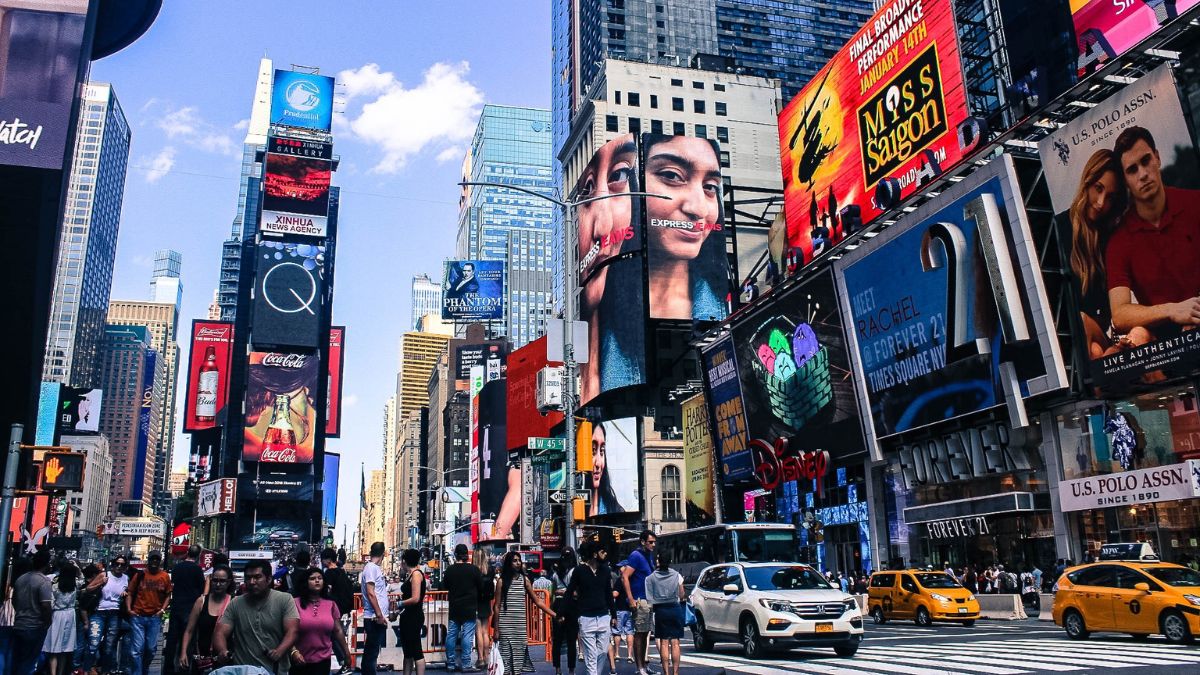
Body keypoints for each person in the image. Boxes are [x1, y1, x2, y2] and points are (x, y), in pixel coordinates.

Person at [1106, 125, 1200, 337]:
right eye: (1132, 170)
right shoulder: (1119, 242)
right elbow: (1119, 314)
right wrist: (1172, 310)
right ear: (1125, 181)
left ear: (1157, 158)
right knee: (1137, 335)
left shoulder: (1196, 203)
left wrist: (1194, 313)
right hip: (1164, 346)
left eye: (1146, 161)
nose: (1143, 174)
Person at [575, 134, 646, 403]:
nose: (602, 227)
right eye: (588, 188)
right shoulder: (570, 366)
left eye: (619, 176)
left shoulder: (629, 365)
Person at [643, 134, 728, 321]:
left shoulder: (725, 308)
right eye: (672, 176)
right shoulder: (602, 315)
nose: (699, 209)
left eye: (710, 187)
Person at [212, 558, 299, 674]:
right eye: (248, 578)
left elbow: (292, 631)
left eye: (257, 577)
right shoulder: (236, 603)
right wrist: (223, 651)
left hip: (275, 670)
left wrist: (279, 651)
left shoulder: (285, 599)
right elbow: (220, 632)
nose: (252, 582)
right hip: (243, 670)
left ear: (268, 579)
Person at [493, 552, 555, 675]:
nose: (518, 563)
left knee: (518, 661)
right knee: (505, 662)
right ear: (509, 563)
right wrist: (496, 629)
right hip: (505, 626)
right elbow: (497, 606)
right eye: (515, 561)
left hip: (520, 627)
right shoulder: (501, 582)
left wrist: (554, 614)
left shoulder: (525, 580)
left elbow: (538, 601)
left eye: (519, 560)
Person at [566, 542, 615, 675]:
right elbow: (569, 591)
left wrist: (614, 615)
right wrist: (562, 612)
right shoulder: (579, 571)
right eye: (602, 551)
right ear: (594, 554)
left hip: (604, 616)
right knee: (591, 654)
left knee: (603, 651)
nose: (605, 554)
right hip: (586, 617)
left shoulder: (605, 570)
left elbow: (608, 593)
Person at [290, 567, 349, 675]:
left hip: (323, 661)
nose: (317, 581)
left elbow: (338, 631)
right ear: (305, 583)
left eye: (320, 578)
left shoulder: (331, 604)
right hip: (299, 659)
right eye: (312, 578)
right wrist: (293, 651)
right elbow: (287, 631)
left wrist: (347, 653)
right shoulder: (294, 603)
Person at [178, 564, 233, 675]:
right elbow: (189, 630)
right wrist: (183, 652)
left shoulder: (233, 603)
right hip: (201, 659)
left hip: (224, 660)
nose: (218, 584)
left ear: (228, 582)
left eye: (222, 581)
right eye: (215, 580)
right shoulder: (201, 602)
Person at [126, 551, 172, 675]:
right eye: (153, 559)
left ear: (160, 561)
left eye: (157, 560)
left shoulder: (164, 576)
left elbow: (168, 595)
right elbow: (130, 592)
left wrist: (162, 610)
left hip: (154, 617)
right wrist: (129, 609)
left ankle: (144, 668)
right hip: (138, 616)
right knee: (137, 649)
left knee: (151, 649)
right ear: (149, 560)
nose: (155, 562)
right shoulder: (140, 575)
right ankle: (137, 672)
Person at [164, 545, 206, 675]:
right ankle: (184, 667)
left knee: (172, 639)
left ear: (187, 553)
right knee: (188, 638)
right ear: (198, 555)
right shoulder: (198, 570)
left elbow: (174, 584)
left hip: (177, 606)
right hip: (191, 608)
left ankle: (169, 669)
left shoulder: (177, 568)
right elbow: (201, 589)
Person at [621, 531, 656, 675]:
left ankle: (643, 666)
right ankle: (640, 667)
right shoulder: (636, 556)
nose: (653, 544)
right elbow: (625, 576)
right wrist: (631, 599)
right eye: (650, 542)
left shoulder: (648, 555)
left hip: (647, 600)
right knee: (640, 634)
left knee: (645, 633)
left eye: (654, 542)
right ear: (643, 541)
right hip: (639, 600)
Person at [442, 544, 481, 672]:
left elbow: (443, 586)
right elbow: (481, 586)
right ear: (466, 555)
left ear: (456, 555)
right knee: (467, 635)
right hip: (469, 607)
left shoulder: (450, 570)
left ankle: (451, 663)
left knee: (451, 635)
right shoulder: (474, 570)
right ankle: (466, 663)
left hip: (454, 606)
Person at [644, 554, 684, 675]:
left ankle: (666, 672)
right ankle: (675, 673)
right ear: (670, 561)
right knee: (675, 642)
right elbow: (681, 594)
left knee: (664, 642)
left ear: (658, 562)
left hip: (661, 610)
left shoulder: (651, 578)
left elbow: (649, 598)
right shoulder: (677, 575)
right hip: (675, 609)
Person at [88, 555, 129, 675]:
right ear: (113, 564)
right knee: (93, 643)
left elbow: (128, 594)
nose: (119, 566)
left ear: (125, 567)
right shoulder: (104, 575)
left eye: (122, 564)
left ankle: (106, 671)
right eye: (117, 564)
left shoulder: (126, 578)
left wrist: (125, 594)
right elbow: (88, 588)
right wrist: (100, 582)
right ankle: (88, 669)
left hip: (115, 613)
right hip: (99, 612)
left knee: (109, 646)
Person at [321, 547, 354, 674]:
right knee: (338, 635)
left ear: (328, 560)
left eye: (323, 558)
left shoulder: (329, 573)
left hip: (334, 608)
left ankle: (344, 663)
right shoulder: (341, 571)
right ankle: (345, 663)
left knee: (334, 636)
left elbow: (327, 590)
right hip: (344, 606)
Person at [359, 542, 390, 675]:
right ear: (383, 554)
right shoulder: (372, 568)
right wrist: (379, 615)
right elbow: (371, 592)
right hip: (373, 618)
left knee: (371, 652)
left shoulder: (372, 568)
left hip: (375, 617)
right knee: (371, 654)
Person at [42, 561, 78, 675]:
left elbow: (51, 604)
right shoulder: (75, 585)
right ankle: (61, 672)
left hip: (57, 615)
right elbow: (81, 576)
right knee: (65, 648)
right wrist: (77, 567)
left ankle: (53, 673)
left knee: (54, 647)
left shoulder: (55, 586)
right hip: (70, 614)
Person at [396, 549, 426, 675]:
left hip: (414, 616)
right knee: (408, 651)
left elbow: (415, 598)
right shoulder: (411, 574)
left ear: (405, 561)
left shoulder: (416, 575)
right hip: (407, 615)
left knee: (416, 650)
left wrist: (400, 603)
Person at [588, 423, 626, 516]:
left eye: (601, 451)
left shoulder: (615, 509)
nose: (598, 463)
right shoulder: (566, 510)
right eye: (593, 450)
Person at [472, 550, 494, 670]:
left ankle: (480, 659)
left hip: (475, 602)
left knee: (478, 631)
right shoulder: (490, 570)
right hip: (486, 602)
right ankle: (486, 658)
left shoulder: (473, 570)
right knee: (486, 631)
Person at [610, 560, 633, 673]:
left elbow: (615, 594)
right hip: (630, 609)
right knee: (629, 632)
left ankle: (617, 653)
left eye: (621, 567)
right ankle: (629, 655)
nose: (619, 569)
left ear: (625, 567)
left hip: (619, 608)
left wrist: (609, 592)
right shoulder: (632, 579)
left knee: (617, 632)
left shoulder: (620, 580)